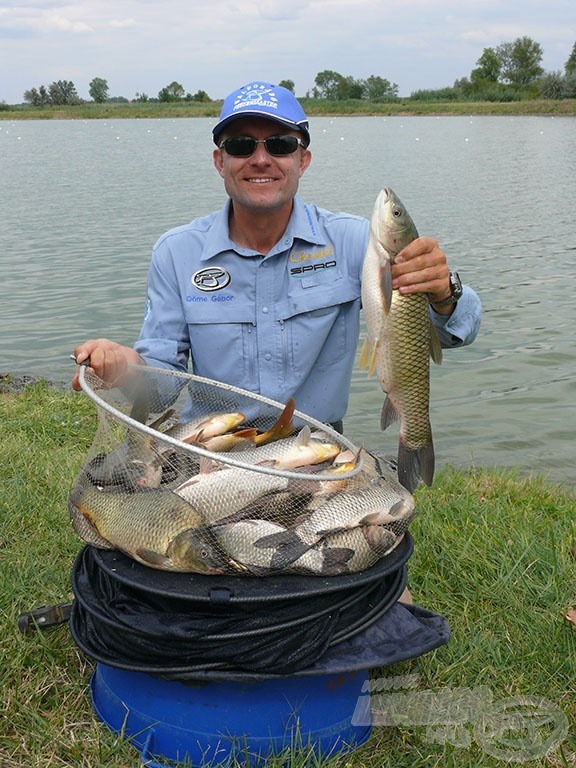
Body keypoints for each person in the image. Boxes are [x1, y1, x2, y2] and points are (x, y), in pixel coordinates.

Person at [72, 81, 481, 433]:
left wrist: (445, 292)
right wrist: (125, 365)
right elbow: (162, 388)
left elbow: (453, 331)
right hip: (215, 445)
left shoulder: (357, 242)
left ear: (302, 160)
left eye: (281, 144)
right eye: (241, 145)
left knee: (381, 527)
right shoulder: (176, 253)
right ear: (220, 161)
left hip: (318, 445)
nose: (261, 159)